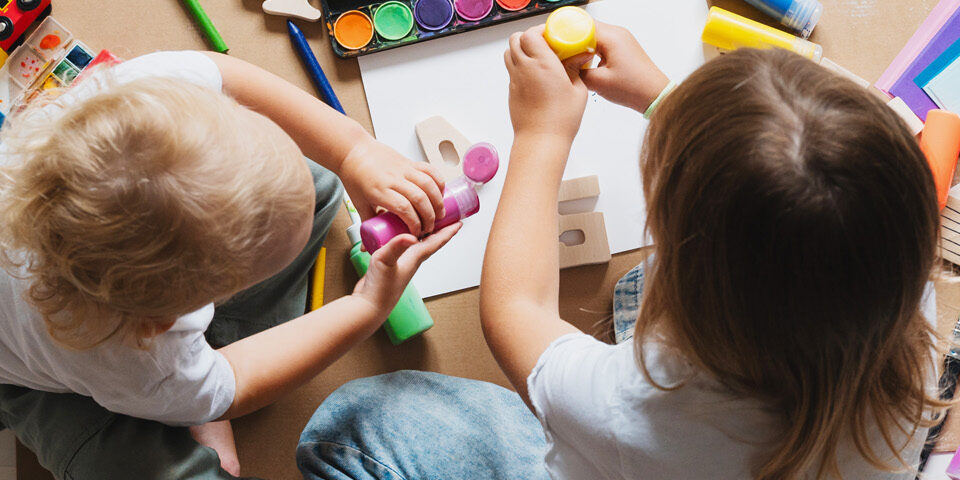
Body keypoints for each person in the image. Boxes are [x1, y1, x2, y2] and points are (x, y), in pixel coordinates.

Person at [297, 23, 945, 479]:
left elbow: (514, 311)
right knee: (638, 287)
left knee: (354, 422)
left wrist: (542, 133)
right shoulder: (903, 299)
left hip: (636, 459)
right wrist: (660, 95)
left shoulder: (629, 410)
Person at [0, 50, 459, 479]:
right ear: (161, 321)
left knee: (314, 189)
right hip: (38, 380)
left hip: (133, 338)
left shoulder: (126, 106)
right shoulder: (137, 356)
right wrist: (365, 307)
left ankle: (192, 389)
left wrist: (353, 152)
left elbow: (222, 73)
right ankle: (191, 392)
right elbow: (238, 383)